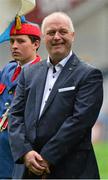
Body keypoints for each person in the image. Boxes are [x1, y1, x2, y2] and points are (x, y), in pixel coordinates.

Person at [8, 12, 103, 179]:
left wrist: (46, 157)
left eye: (63, 32)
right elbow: (15, 116)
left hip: (71, 170)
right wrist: (26, 153)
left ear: (72, 36)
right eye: (51, 32)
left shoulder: (89, 75)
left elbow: (79, 122)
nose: (57, 37)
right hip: (28, 170)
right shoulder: (28, 73)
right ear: (44, 37)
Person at [0, 19, 41, 179]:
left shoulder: (43, 73)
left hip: (22, 152)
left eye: (20, 41)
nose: (14, 46)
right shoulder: (8, 70)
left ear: (35, 44)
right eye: (12, 41)